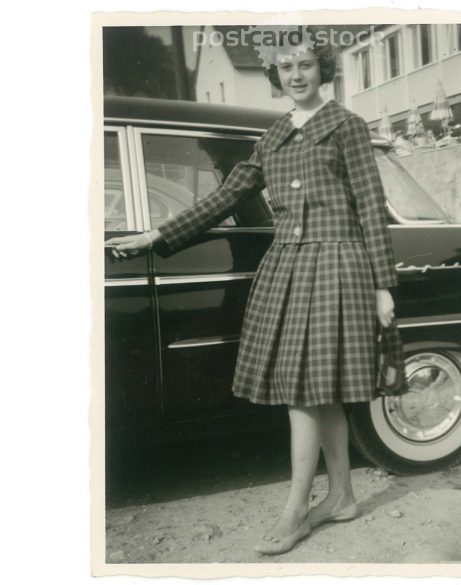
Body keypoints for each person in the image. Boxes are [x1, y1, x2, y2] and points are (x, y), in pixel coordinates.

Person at [106, 32, 399, 556]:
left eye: (305, 64)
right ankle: (343, 496)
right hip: (287, 266)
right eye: (285, 67)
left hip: (337, 264)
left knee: (305, 391)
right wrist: (157, 235)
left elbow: (372, 208)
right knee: (313, 387)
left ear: (322, 69)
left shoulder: (346, 126)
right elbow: (225, 196)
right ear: (276, 76)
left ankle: (296, 509)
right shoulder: (275, 134)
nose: (296, 74)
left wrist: (383, 286)